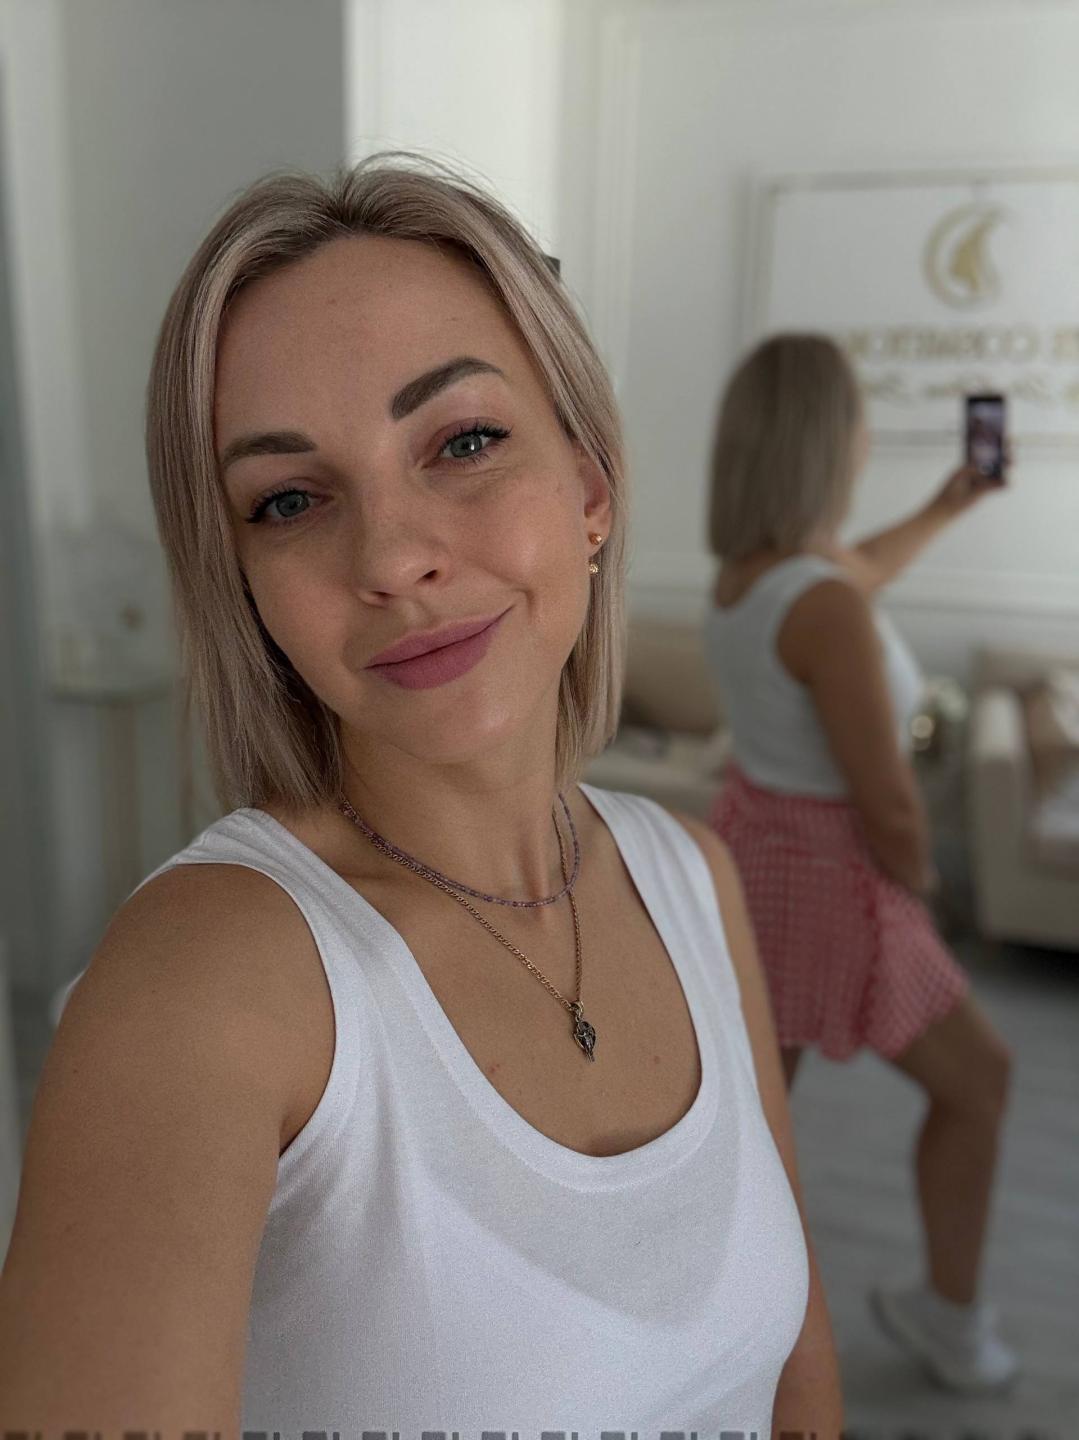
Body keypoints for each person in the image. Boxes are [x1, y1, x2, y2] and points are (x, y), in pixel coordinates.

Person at [0, 159, 843, 1438]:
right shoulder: (203, 986)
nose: (392, 558)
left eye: (463, 442)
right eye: (289, 500)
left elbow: (797, 1384)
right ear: (244, 587)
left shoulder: (690, 876)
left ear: (590, 488)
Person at [703, 332, 1018, 1395]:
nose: (867, 439)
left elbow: (858, 568)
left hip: (763, 859)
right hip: (834, 872)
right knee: (979, 1079)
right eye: (858, 423)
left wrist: (947, 504)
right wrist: (920, 887)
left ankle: (720, 1318)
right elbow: (885, 799)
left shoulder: (751, 578)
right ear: (827, 442)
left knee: (758, 1116)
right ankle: (948, 1322)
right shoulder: (819, 603)